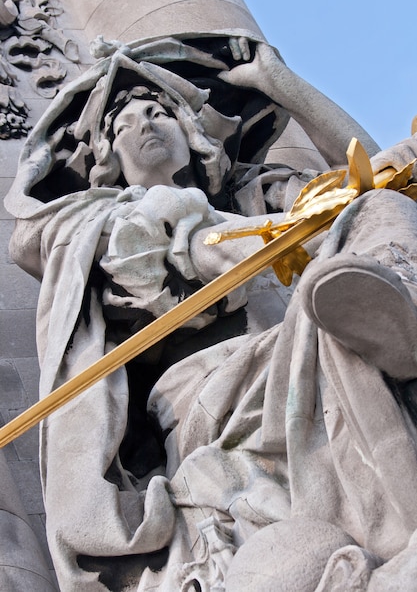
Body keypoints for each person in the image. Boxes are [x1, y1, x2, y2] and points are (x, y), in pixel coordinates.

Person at [5, 36, 417, 591]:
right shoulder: (108, 226)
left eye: (159, 113)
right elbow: (174, 249)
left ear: (194, 136)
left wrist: (283, 86)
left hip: (305, 335)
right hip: (210, 393)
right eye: (126, 124)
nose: (147, 124)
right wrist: (290, 244)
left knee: (378, 208)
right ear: (110, 159)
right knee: (334, 298)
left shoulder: (258, 198)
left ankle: (395, 316)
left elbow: (383, 179)